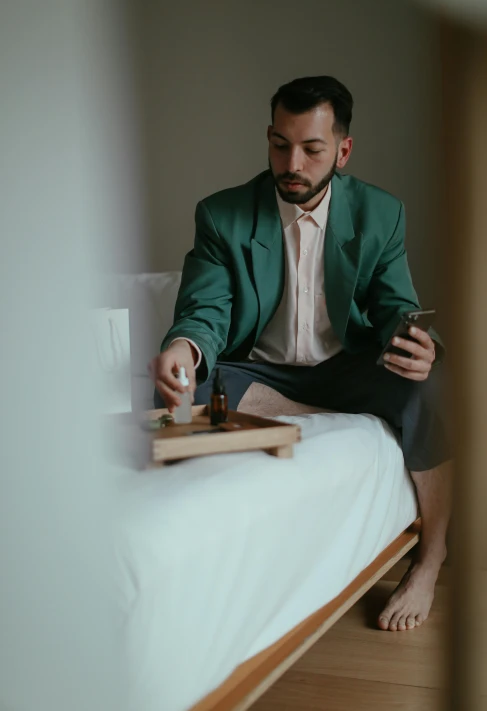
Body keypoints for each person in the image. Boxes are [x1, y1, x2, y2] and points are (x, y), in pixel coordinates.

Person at [149, 75, 451, 632]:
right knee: (177, 389)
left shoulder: (380, 213)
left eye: (311, 149)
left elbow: (393, 307)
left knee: (431, 383)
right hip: (259, 371)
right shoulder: (223, 215)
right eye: (280, 144)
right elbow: (205, 311)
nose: (292, 162)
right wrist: (182, 349)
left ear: (342, 149)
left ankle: (429, 560)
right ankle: (355, 419)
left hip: (346, 368)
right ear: (268, 137)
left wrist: (414, 346)